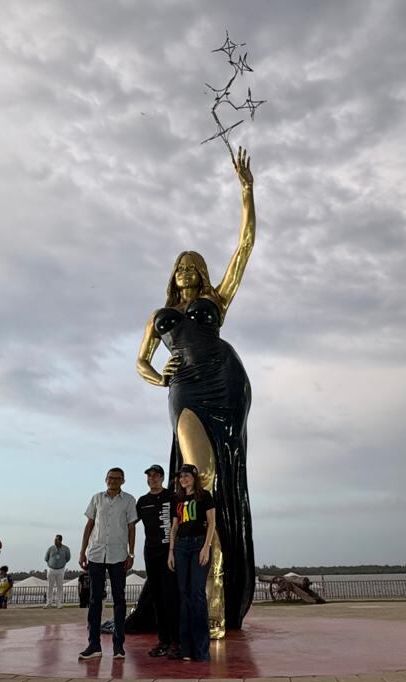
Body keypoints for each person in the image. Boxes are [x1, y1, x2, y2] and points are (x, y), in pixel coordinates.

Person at [135, 150, 257, 637]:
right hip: (184, 388)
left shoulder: (216, 300)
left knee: (212, 481)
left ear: (201, 272)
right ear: (173, 274)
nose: (186, 268)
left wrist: (247, 193)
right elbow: (140, 361)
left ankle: (215, 604)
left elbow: (243, 249)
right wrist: (157, 376)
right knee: (198, 473)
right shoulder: (160, 315)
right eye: (180, 264)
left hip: (224, 381)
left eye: (194, 263)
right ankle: (199, 594)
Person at [78, 468, 138, 660]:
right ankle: (93, 645)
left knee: (119, 600)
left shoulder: (129, 501)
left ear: (123, 481)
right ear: (105, 479)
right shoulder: (97, 498)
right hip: (96, 554)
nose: (113, 481)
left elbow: (131, 528)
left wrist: (131, 553)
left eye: (117, 479)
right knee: (95, 600)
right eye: (110, 478)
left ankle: (118, 645)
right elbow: (89, 525)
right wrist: (82, 551)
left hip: (118, 555)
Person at [168, 465, 216, 662]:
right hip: (180, 547)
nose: (183, 479)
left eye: (186, 475)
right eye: (180, 476)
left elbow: (212, 523)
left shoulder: (204, 496)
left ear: (194, 477)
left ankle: (201, 649)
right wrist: (170, 551)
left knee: (197, 593)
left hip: (198, 545)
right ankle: (185, 648)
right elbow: (174, 526)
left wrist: (206, 547)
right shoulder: (177, 499)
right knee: (184, 594)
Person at [136, 464, 179, 656]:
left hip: (170, 553)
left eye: (155, 476)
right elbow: (129, 523)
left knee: (172, 596)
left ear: (162, 478)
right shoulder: (142, 501)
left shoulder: (173, 497)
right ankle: (163, 641)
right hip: (151, 553)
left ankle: (178, 641)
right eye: (149, 476)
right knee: (157, 598)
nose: (152, 479)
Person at [44, 534, 70, 609]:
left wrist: (61, 563)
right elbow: (46, 558)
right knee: (49, 586)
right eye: (54, 539)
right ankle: (49, 603)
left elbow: (68, 558)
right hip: (51, 569)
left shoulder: (66, 549)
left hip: (60, 569)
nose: (55, 541)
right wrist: (51, 563)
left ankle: (58, 603)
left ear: (60, 540)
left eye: (56, 540)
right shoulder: (50, 548)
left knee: (59, 586)